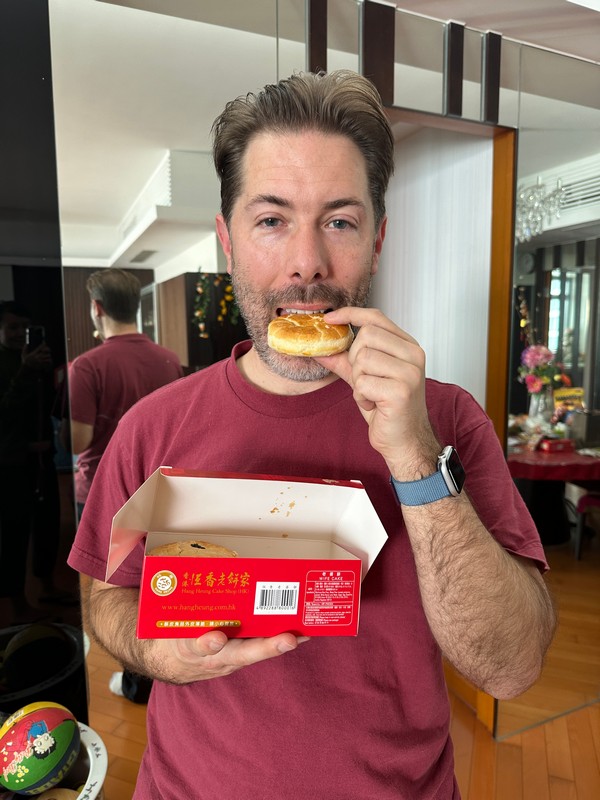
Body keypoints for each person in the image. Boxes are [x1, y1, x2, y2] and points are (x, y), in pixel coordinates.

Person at [68, 70, 556, 799]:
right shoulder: (152, 426)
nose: (307, 264)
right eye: (272, 220)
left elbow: (512, 668)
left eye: (339, 222)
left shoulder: (449, 420)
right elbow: (105, 595)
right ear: (227, 241)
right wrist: (160, 654)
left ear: (377, 240)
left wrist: (415, 458)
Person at [66, 267, 183, 701]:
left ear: (96, 309)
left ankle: (136, 682)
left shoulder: (87, 366)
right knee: (160, 584)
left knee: (115, 593)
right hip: (164, 490)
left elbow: (78, 441)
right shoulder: (168, 359)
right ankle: (162, 673)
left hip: (105, 489)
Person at [0, 301, 64, 625]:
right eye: (12, 328)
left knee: (48, 524)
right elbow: (4, 411)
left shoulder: (36, 358)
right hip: (10, 463)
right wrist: (25, 370)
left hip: (43, 457)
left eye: (24, 329)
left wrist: (52, 375)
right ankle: (17, 604)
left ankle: (47, 586)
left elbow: (50, 407)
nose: (19, 334)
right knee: (14, 533)